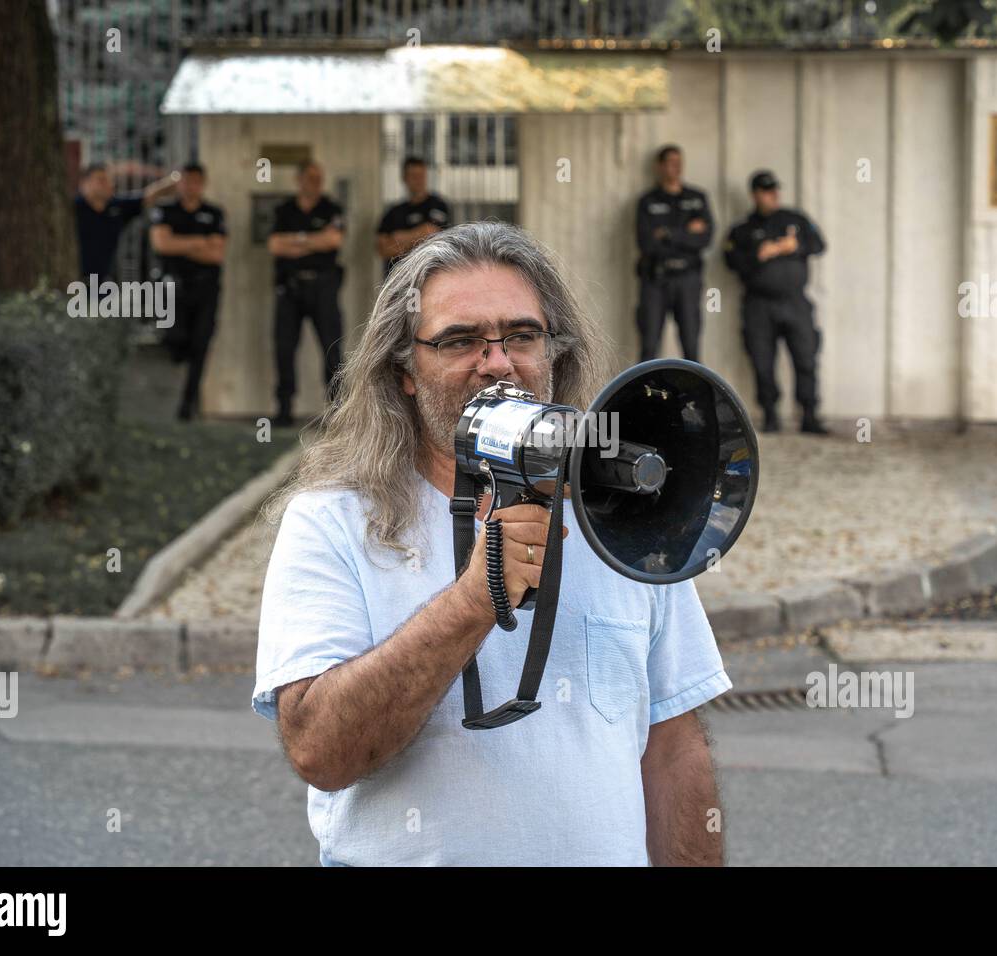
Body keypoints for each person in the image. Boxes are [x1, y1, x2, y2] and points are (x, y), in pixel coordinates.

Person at [254, 221, 732, 866]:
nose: (499, 361)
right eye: (459, 340)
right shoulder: (335, 521)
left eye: (522, 335)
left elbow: (673, 743)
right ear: (405, 372)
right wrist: (475, 600)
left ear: (553, 351)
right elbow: (321, 753)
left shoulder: (623, 519)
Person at [724, 170, 829, 435]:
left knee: (806, 357)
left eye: (775, 190)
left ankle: (809, 415)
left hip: (795, 302)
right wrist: (760, 254)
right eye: (766, 191)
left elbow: (819, 244)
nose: (773, 195)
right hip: (759, 305)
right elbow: (731, 262)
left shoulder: (795, 220)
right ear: (755, 194)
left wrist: (795, 246)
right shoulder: (742, 230)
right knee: (762, 360)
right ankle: (770, 414)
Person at [267, 160, 346, 427]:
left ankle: (337, 411)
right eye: (310, 178)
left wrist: (296, 241)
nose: (315, 183)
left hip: (323, 287)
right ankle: (285, 407)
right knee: (284, 348)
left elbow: (333, 241)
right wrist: (314, 240)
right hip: (289, 288)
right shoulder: (284, 210)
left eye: (319, 178)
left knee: (331, 348)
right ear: (298, 179)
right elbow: (276, 246)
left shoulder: (331, 208)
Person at [148, 163, 227, 422]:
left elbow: (217, 254)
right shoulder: (165, 210)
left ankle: (187, 404)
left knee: (201, 345)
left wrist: (179, 243)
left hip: (206, 288)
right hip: (173, 286)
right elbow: (161, 244)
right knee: (176, 337)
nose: (190, 186)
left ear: (202, 184)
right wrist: (200, 242)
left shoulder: (214, 213)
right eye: (185, 180)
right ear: (179, 182)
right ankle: (174, 361)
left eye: (195, 181)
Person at [635, 144, 714, 363]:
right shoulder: (648, 202)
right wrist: (687, 231)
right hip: (656, 280)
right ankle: (645, 396)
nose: (676, 167)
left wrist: (667, 233)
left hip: (688, 279)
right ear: (660, 166)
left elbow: (705, 239)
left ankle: (693, 395)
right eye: (670, 162)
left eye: (679, 162)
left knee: (691, 346)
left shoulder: (697, 198)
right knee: (649, 347)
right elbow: (647, 243)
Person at [74, 163, 178, 281]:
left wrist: (176, 179)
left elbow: (148, 197)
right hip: (74, 282)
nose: (109, 184)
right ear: (84, 183)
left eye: (109, 180)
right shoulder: (73, 209)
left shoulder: (116, 206)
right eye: (101, 180)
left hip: (105, 282)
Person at [375, 156, 450, 280]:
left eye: (421, 175)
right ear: (404, 178)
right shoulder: (393, 212)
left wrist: (398, 237)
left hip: (426, 278)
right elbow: (383, 250)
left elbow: (431, 236)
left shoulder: (437, 204)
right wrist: (416, 236)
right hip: (397, 281)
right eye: (413, 176)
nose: (418, 180)